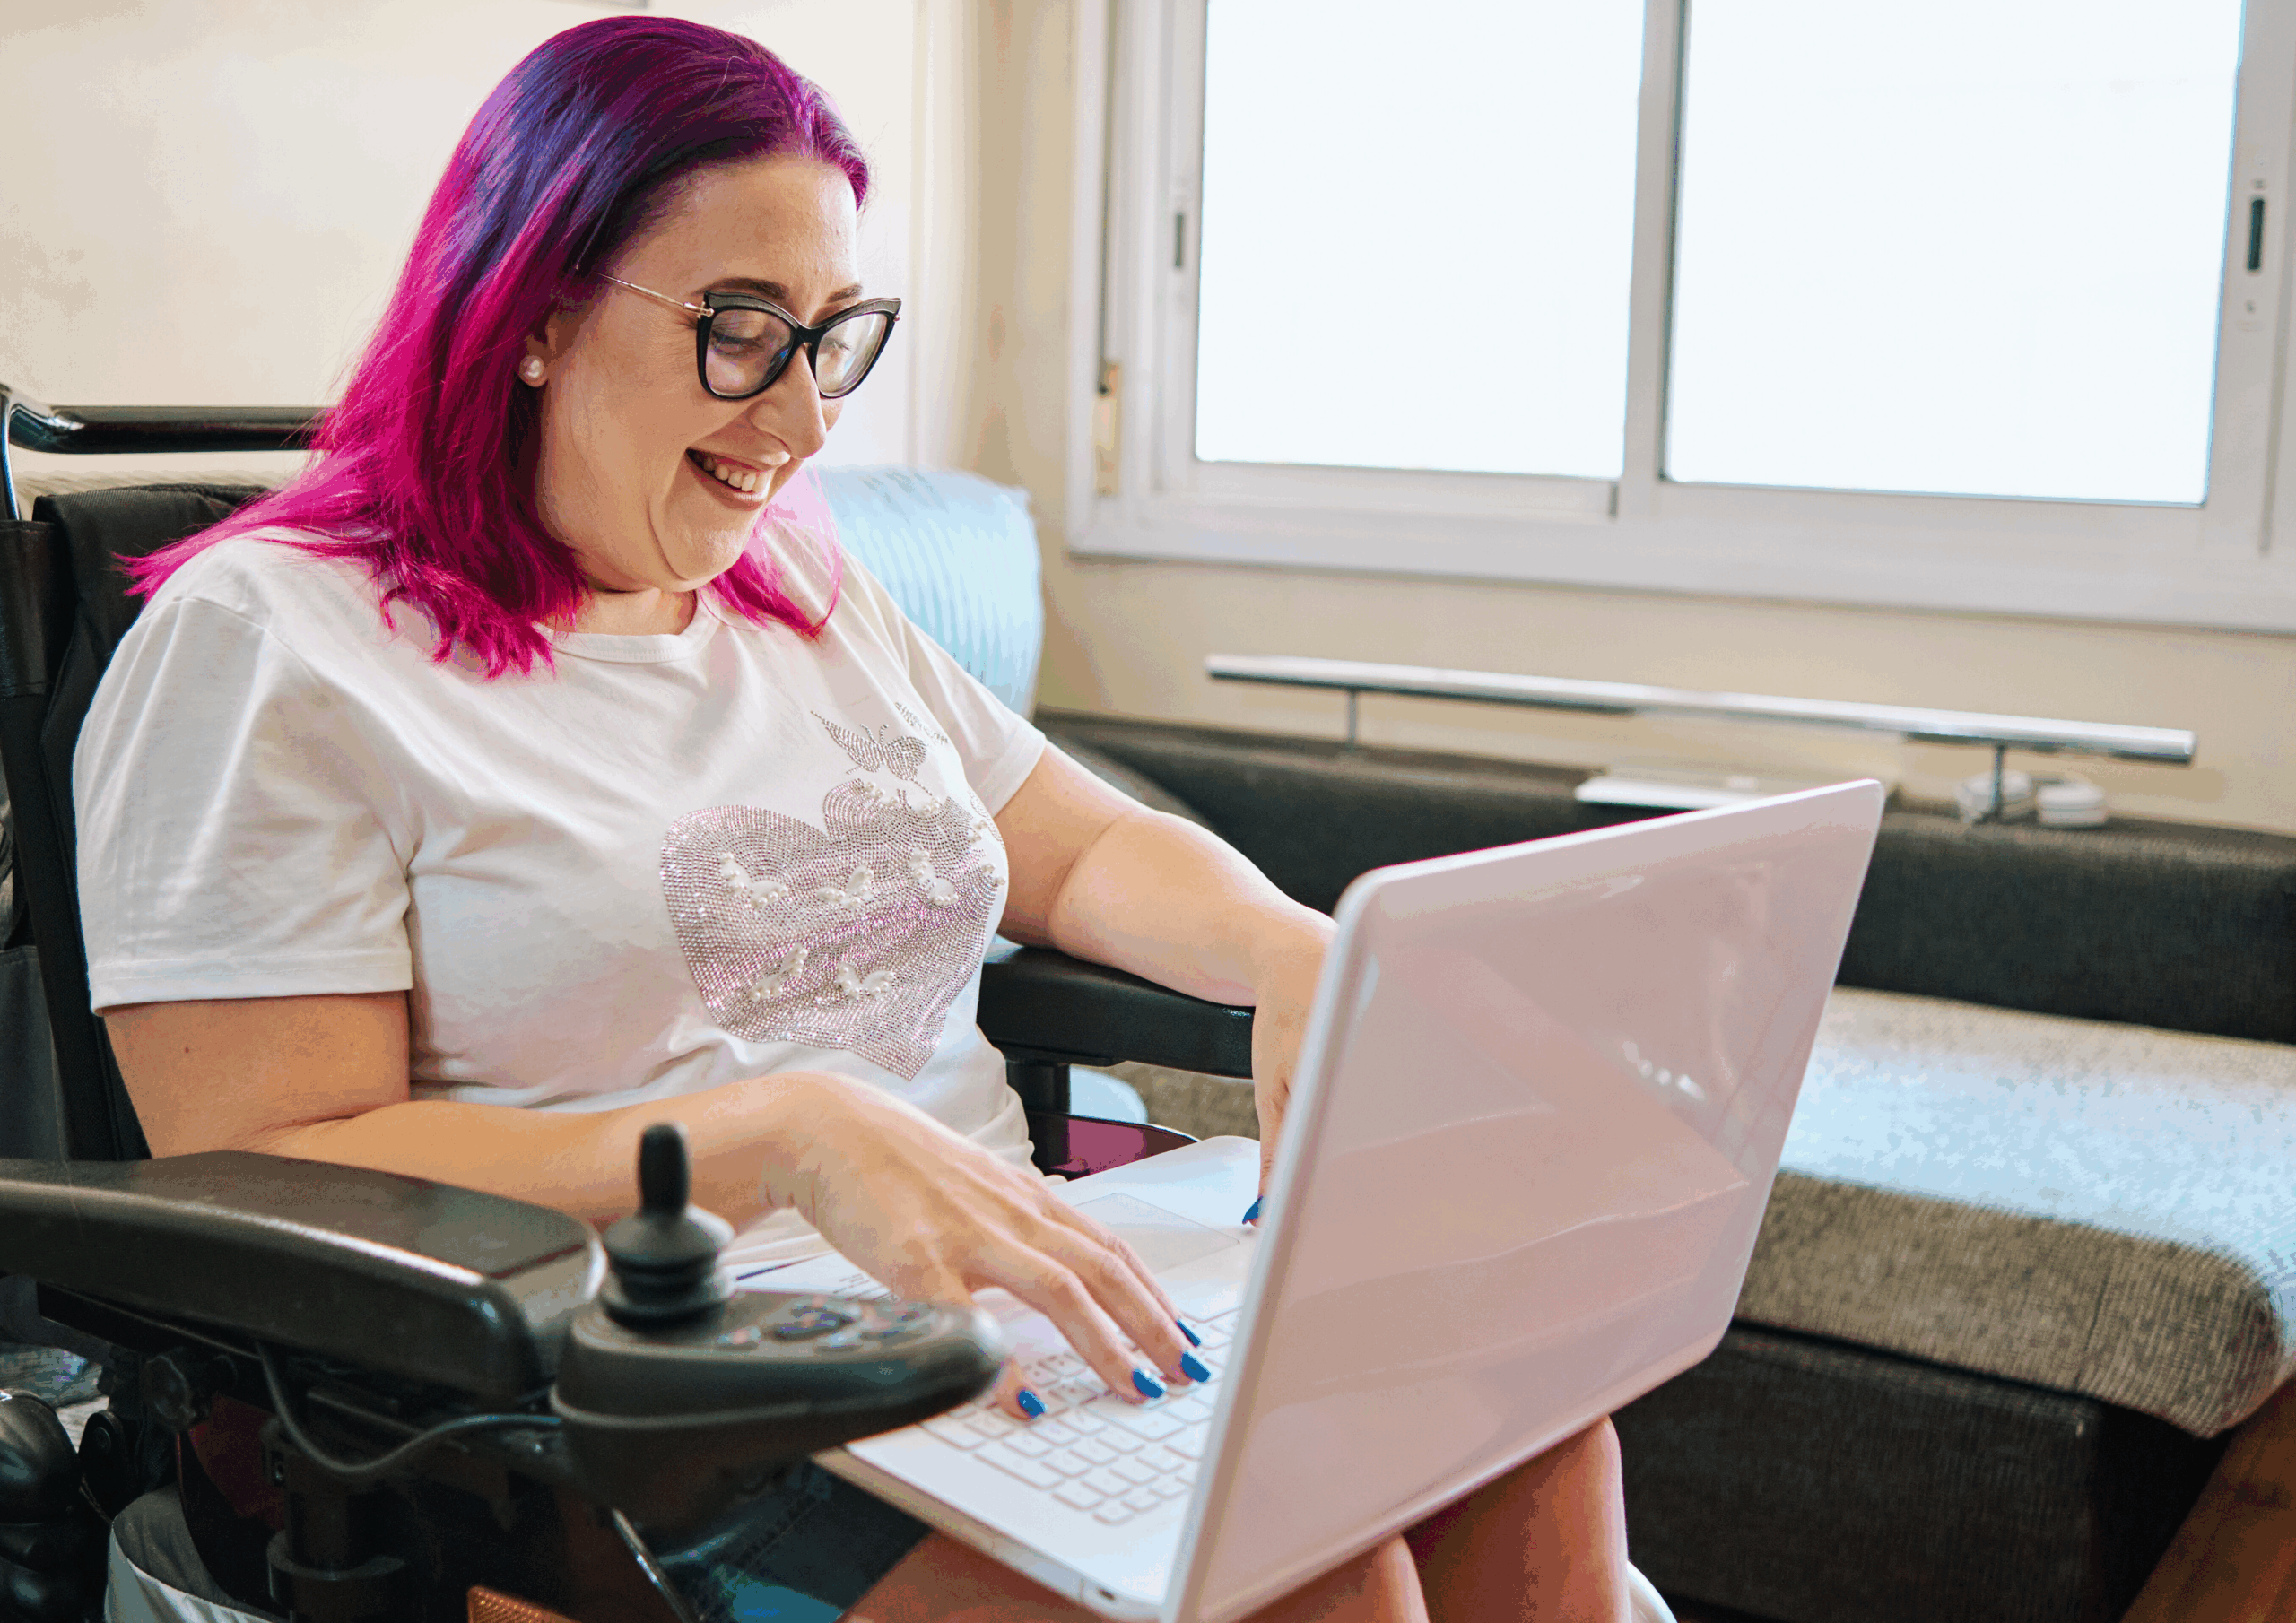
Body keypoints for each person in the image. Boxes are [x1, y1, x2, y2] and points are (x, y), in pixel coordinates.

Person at [74, 17, 1632, 1622]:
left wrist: (1297, 949)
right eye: (741, 329)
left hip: (1009, 1310)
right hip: (620, 1409)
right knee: (1327, 1585)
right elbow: (273, 1162)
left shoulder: (797, 589)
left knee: (1537, 1444)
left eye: (833, 334)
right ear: (533, 310)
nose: (807, 422)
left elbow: (1080, 845)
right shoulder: (272, 645)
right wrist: (782, 1138)